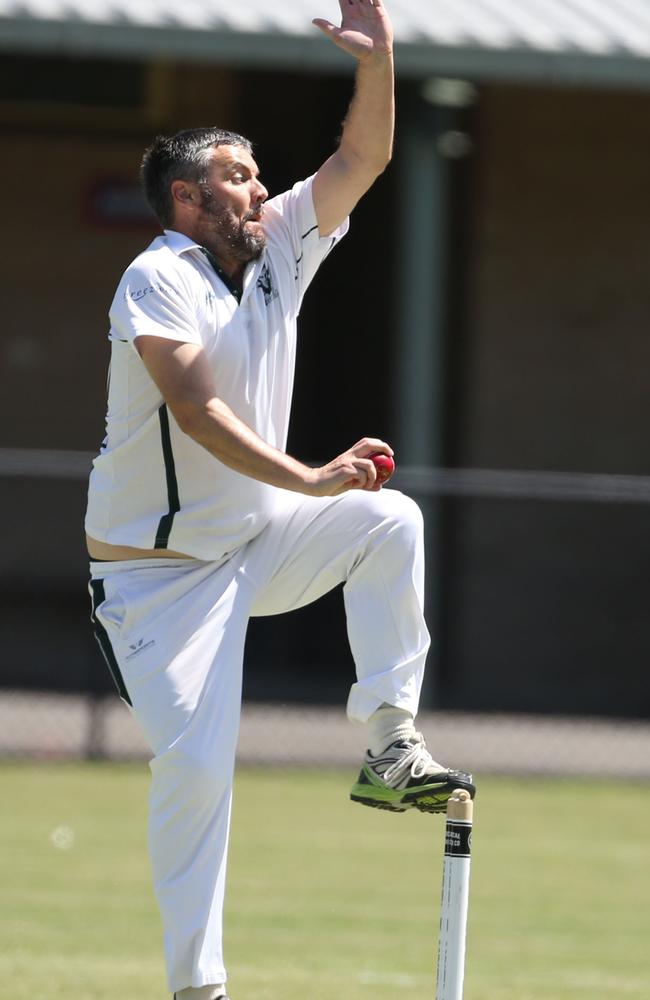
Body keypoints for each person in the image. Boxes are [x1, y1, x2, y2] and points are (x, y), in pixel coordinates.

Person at [85, 2, 474, 998]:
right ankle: (198, 987)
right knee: (198, 771)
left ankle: (388, 739)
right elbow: (194, 404)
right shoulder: (156, 278)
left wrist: (379, 66)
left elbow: (363, 158)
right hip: (158, 585)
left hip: (255, 542)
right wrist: (307, 476)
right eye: (235, 173)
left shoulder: (280, 251)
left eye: (259, 171)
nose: (259, 186)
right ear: (184, 198)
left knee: (390, 518)